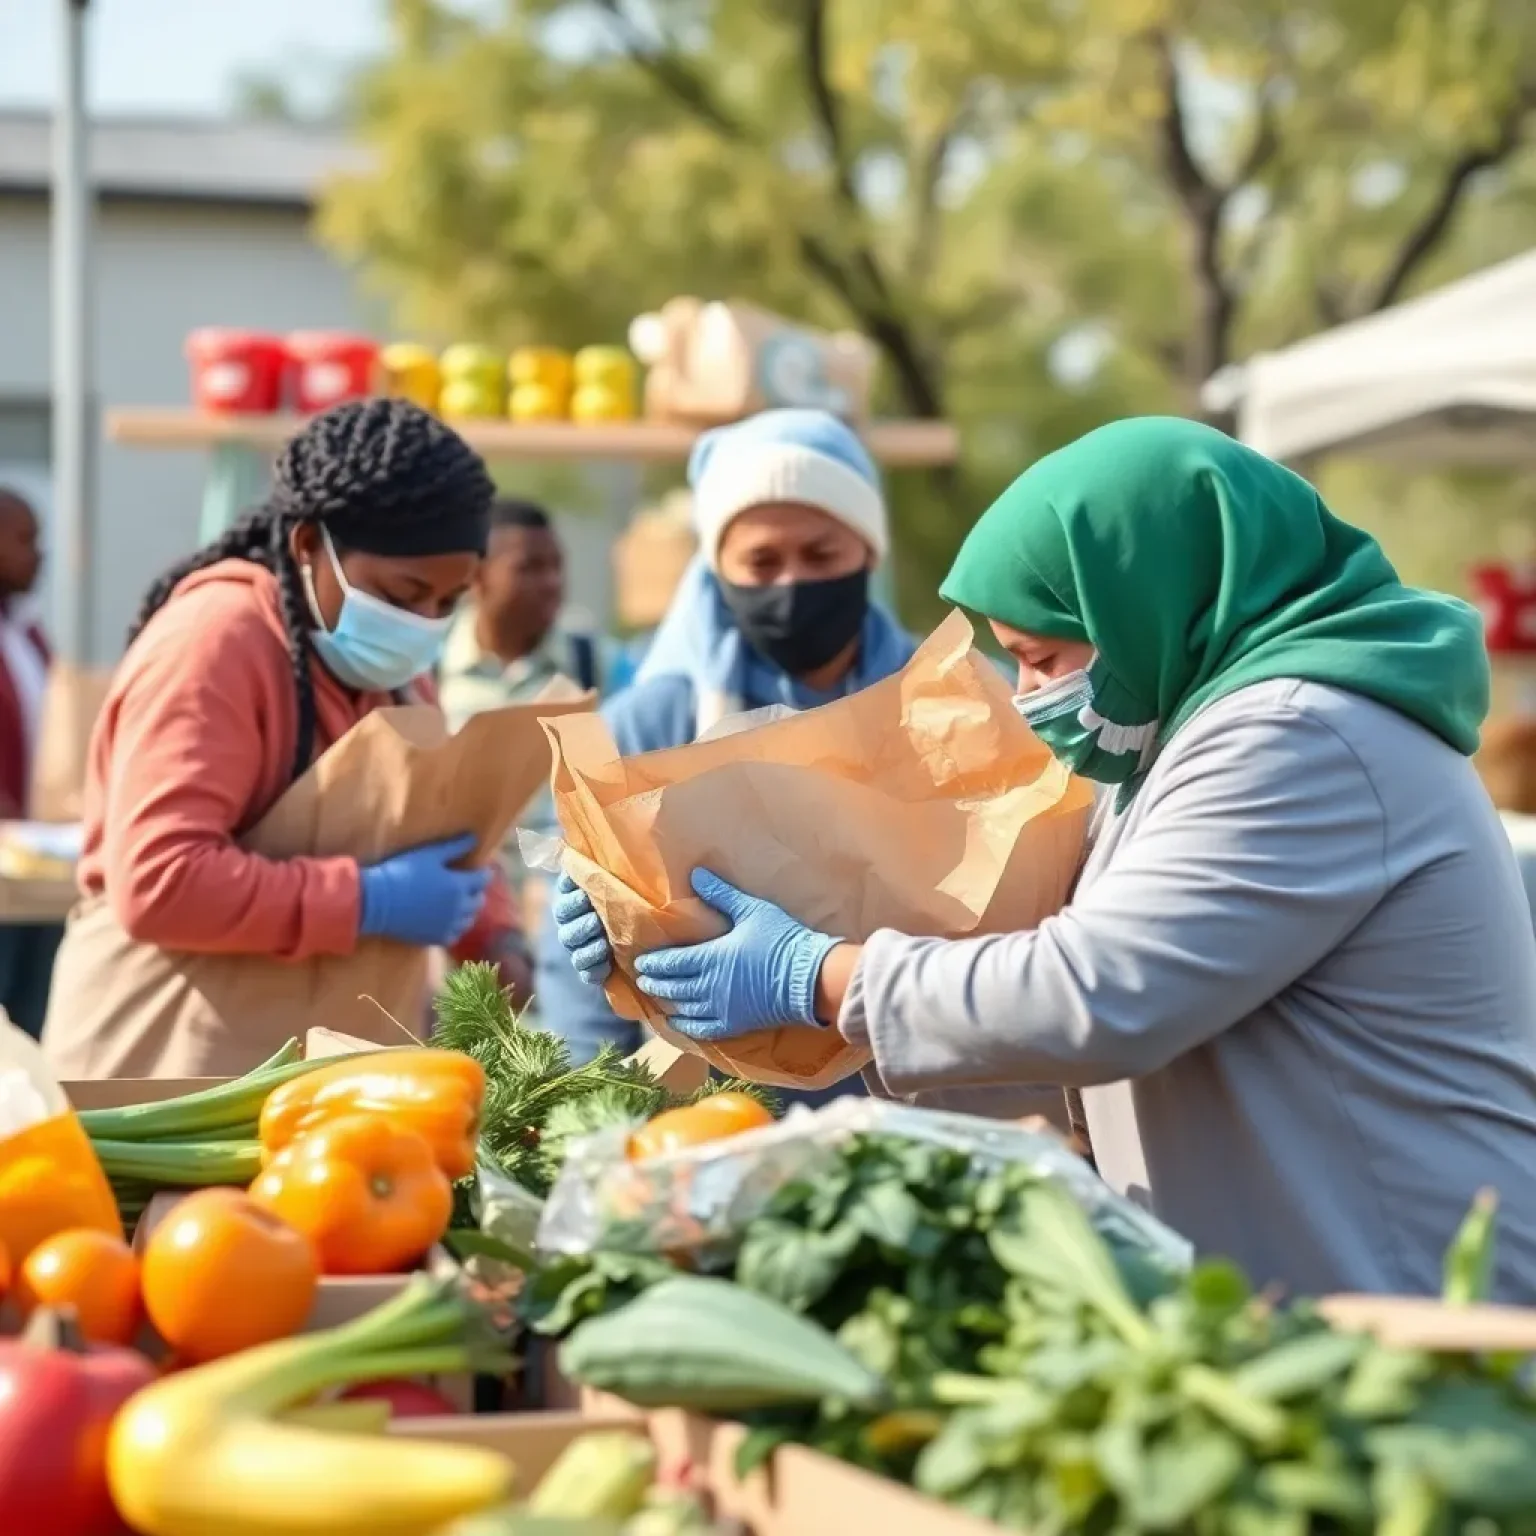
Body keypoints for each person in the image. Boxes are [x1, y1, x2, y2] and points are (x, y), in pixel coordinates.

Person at [554, 416, 1536, 1299]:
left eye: (1045, 658)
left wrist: (817, 976)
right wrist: (662, 937)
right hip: (1311, 1292)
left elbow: (1099, 994)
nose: (1026, 697)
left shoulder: (1296, 738)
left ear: (1145, 607)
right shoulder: (1188, 745)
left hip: (1405, 1291)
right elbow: (1067, 1054)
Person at [41, 398, 532, 1078]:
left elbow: (448, 831)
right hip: (170, 1079)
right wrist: (369, 900)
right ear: (308, 544)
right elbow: (159, 879)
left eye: (449, 602)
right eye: (404, 592)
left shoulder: (402, 681)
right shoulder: (216, 642)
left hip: (330, 1093)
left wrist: (496, 936)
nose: (425, 622)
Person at [537, 407, 917, 1072]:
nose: (792, 583)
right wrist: (592, 1102)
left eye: (820, 554)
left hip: (924, 1101)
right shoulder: (654, 729)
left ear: (867, 551)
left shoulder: (945, 713)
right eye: (761, 561)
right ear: (719, 571)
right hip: (712, 1118)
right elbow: (582, 1001)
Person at [439, 497, 610, 908]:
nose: (551, 582)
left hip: (563, 905)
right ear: (476, 579)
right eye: (529, 568)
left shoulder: (595, 665)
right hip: (461, 904)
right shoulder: (430, 668)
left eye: (556, 566)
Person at [0, 487, 62, 1036]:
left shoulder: (27, 633)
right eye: (23, 539)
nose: (38, 554)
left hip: (35, 860)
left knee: (30, 1025)